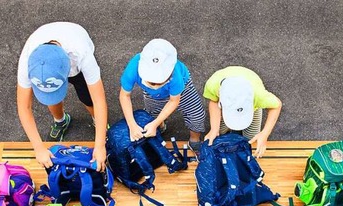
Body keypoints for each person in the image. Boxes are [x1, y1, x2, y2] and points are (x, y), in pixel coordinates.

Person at [16, 22, 108, 171]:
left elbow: (99, 100)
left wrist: (100, 145)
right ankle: (61, 121)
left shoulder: (82, 54)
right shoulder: (28, 61)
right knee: (53, 99)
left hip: (76, 56)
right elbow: (24, 106)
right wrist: (38, 148)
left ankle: (98, 122)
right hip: (50, 55)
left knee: (87, 98)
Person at [119, 39, 205, 149]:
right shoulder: (133, 68)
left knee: (196, 115)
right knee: (153, 113)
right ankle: (160, 126)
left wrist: (154, 123)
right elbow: (124, 95)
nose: (155, 87)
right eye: (151, 83)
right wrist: (132, 124)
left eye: (159, 83)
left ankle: (194, 141)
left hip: (183, 89)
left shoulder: (176, 76)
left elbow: (174, 100)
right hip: (152, 95)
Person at [203, 66, 282, 158]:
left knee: (251, 137)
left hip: (254, 102)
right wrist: (214, 129)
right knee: (220, 131)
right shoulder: (213, 84)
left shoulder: (259, 96)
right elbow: (214, 101)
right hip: (223, 96)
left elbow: (277, 105)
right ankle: (227, 134)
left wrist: (265, 134)